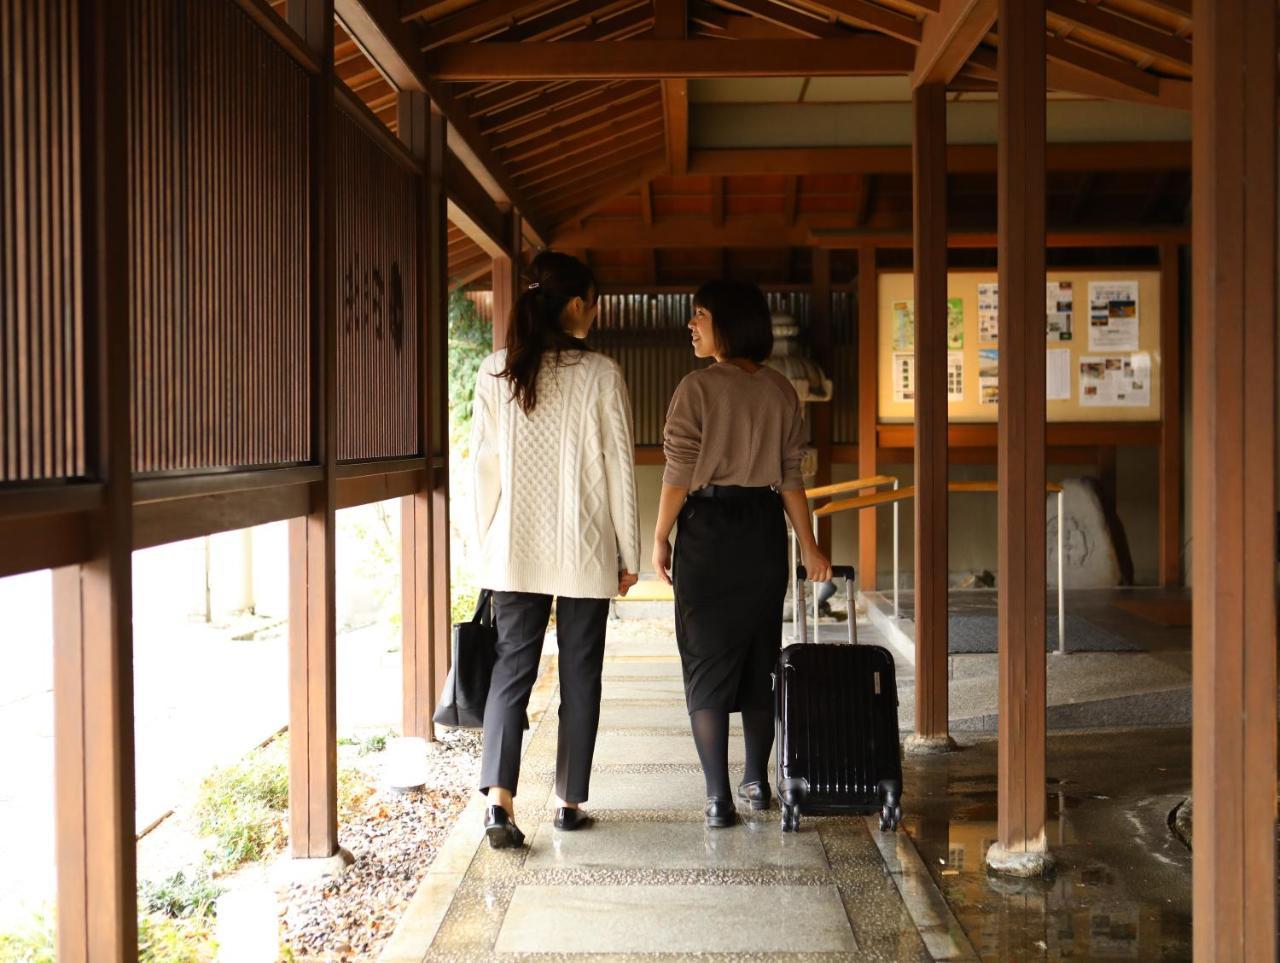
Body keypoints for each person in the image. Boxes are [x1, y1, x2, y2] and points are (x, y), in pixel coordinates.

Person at [471, 250, 641, 849]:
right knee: (580, 672)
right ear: (576, 304)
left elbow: (482, 472)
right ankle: (568, 802)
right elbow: (620, 468)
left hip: (513, 549)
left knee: (511, 669)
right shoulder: (601, 375)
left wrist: (484, 545)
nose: (595, 312)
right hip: (585, 549)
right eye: (593, 301)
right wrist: (630, 552)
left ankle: (499, 803)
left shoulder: (495, 372)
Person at [652, 279, 832, 829]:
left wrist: (660, 534)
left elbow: (679, 471)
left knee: (705, 662)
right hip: (761, 532)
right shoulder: (780, 390)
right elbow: (790, 477)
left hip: (706, 533)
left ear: (726, 323)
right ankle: (756, 781)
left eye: (699, 315)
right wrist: (810, 545)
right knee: (760, 657)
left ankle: (716, 798)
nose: (691, 325)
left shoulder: (696, 389)